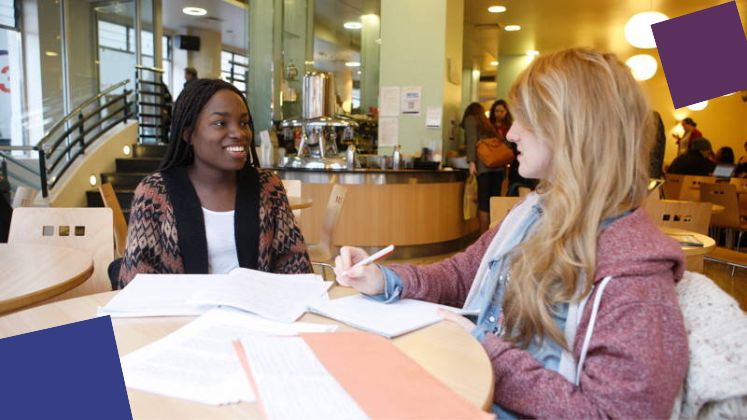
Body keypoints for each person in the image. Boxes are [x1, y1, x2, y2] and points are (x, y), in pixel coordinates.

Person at [334, 48, 687, 418]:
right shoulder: (534, 211)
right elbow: (461, 274)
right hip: (463, 387)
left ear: (572, 129)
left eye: (525, 119)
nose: (512, 133)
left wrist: (482, 349)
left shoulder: (633, 273)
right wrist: (385, 279)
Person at [117, 79, 311, 288]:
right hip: (181, 316)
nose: (239, 133)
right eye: (220, 123)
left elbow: (295, 266)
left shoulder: (267, 186)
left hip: (253, 315)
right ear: (188, 134)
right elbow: (135, 283)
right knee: (87, 323)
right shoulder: (154, 194)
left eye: (244, 123)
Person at [462, 102, 504, 233]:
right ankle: (493, 234)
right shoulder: (486, 123)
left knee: (484, 202)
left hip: (484, 167)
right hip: (498, 167)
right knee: (494, 201)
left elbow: (471, 141)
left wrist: (471, 162)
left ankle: (483, 236)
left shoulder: (470, 119)